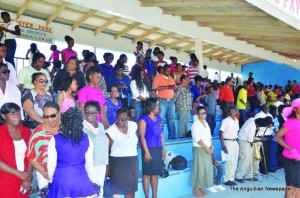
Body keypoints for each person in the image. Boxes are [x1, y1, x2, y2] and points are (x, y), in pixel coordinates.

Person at [47, 108, 96, 197]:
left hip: (61, 180)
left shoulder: (55, 139)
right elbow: (89, 164)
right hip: (81, 180)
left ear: (64, 121)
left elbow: (51, 165)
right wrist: (90, 180)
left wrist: (51, 181)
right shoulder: (87, 138)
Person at [0, 103, 32, 197]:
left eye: (18, 113)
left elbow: (31, 155)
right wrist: (19, 174)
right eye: (12, 114)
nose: (17, 116)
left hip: (24, 179)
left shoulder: (26, 131)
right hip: (5, 181)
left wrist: (27, 178)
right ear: (3, 116)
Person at [26, 101, 60, 189]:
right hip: (45, 176)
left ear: (59, 113)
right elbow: (31, 156)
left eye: (53, 116)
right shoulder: (38, 133)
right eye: (46, 116)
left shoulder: (66, 129)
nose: (49, 119)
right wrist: (44, 172)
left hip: (65, 174)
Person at [106, 108, 139, 198]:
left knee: (131, 189)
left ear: (128, 117)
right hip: (117, 162)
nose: (120, 121)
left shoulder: (133, 125)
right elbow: (107, 150)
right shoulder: (111, 130)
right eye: (118, 119)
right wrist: (108, 165)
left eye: (123, 119)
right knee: (117, 191)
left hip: (132, 160)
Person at [139, 98, 166, 198]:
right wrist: (146, 152)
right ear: (151, 106)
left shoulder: (158, 118)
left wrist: (163, 149)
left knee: (155, 174)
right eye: (156, 105)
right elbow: (142, 136)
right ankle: (147, 196)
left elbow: (161, 135)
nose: (158, 107)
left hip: (158, 148)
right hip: (148, 149)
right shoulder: (143, 119)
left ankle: (155, 196)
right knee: (147, 174)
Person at [274, 98, 300, 198]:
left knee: (298, 187)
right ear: (294, 109)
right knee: (292, 187)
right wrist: (291, 149)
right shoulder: (290, 122)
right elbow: (277, 136)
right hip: (291, 158)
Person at [83, 101, 109, 198]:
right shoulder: (81, 127)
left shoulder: (101, 126)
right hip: (88, 165)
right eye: (87, 112)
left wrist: (107, 164)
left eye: (92, 112)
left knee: (100, 190)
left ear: (98, 113)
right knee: (89, 192)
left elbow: (105, 145)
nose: (89, 115)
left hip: (101, 163)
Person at [191, 106, 215, 196]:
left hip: (207, 148)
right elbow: (198, 139)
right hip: (199, 149)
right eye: (200, 113)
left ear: (206, 114)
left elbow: (209, 136)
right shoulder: (195, 125)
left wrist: (211, 146)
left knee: (205, 169)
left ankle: (200, 186)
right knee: (199, 169)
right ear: (197, 114)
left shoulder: (205, 123)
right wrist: (206, 148)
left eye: (204, 113)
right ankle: (195, 189)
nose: (202, 115)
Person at [235, 118, 266, 183]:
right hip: (244, 142)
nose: (258, 127)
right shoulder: (251, 127)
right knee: (245, 159)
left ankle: (248, 175)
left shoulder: (252, 120)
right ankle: (239, 176)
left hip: (248, 142)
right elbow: (250, 140)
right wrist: (261, 139)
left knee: (250, 159)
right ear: (257, 124)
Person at [152, 65, 177, 140]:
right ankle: (160, 137)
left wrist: (175, 89)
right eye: (167, 71)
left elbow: (174, 88)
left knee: (172, 119)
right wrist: (167, 87)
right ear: (163, 70)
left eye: (170, 71)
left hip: (171, 101)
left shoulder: (171, 79)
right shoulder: (158, 77)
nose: (169, 72)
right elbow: (155, 87)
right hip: (162, 100)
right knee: (160, 119)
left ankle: (172, 136)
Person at [220, 107, 239, 186]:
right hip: (227, 142)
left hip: (235, 142)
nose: (232, 112)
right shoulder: (225, 120)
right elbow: (221, 133)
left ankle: (232, 178)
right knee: (229, 161)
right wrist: (223, 145)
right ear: (228, 112)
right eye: (230, 111)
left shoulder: (237, 120)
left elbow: (236, 132)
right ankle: (227, 179)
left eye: (233, 111)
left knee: (235, 161)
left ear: (235, 112)